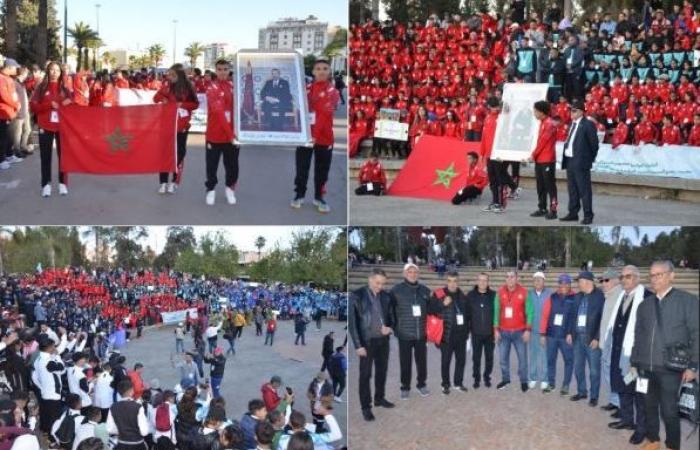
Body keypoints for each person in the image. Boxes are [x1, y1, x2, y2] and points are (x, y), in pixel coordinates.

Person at [631, 260, 698, 450]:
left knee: (669, 410)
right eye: (652, 275)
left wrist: (693, 366)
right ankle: (653, 440)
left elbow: (696, 333)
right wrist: (634, 361)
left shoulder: (688, 301)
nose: (654, 279)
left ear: (671, 275)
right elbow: (639, 335)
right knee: (648, 406)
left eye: (659, 274)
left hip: (671, 368)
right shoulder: (644, 305)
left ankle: (672, 445)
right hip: (645, 367)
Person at [604, 266, 650, 445]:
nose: (624, 280)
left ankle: (641, 429)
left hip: (637, 356)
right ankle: (626, 420)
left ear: (637, 278)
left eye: (628, 276)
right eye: (622, 277)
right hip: (619, 351)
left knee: (640, 395)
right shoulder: (622, 296)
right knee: (623, 387)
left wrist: (638, 357)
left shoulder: (647, 297)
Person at [291, 57, 340, 214]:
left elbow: (324, 115)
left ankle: (319, 197)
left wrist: (315, 137)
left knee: (322, 170)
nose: (321, 72)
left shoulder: (333, 92)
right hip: (305, 137)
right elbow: (297, 111)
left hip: (324, 138)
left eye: (325, 69)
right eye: (318, 69)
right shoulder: (305, 89)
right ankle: (299, 195)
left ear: (329, 71)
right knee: (301, 168)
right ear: (312, 72)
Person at [349, 267, 395, 422]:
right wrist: (357, 345)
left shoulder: (386, 296)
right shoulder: (357, 296)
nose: (379, 287)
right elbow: (353, 323)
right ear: (370, 279)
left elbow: (392, 317)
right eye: (377, 283)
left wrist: (390, 327)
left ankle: (379, 398)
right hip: (366, 342)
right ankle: (365, 407)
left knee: (382, 371)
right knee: (365, 375)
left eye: (382, 284)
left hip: (383, 341)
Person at [30, 61, 74, 198]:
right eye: (52, 70)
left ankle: (62, 183)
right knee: (45, 157)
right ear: (48, 71)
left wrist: (70, 102)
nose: (54, 72)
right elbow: (34, 106)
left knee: (63, 157)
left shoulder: (65, 89)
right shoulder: (41, 88)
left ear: (61, 73)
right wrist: (50, 105)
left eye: (57, 70)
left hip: (61, 128)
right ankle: (46, 184)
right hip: (45, 126)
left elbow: (72, 104)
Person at [153, 64, 199, 194]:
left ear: (179, 75)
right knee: (164, 155)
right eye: (169, 74)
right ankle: (163, 182)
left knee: (179, 155)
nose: (170, 77)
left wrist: (182, 104)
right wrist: (163, 98)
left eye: (173, 75)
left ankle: (174, 182)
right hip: (166, 126)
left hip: (181, 127)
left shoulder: (188, 88)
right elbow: (155, 99)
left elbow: (195, 104)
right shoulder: (166, 86)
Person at [390, 263, 431, 399]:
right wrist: (395, 328)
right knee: (405, 362)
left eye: (415, 272)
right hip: (404, 334)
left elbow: (431, 310)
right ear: (404, 274)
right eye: (409, 272)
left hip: (421, 334)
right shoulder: (396, 290)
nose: (412, 274)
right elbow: (390, 312)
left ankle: (421, 384)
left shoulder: (425, 290)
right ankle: (405, 387)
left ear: (418, 274)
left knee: (422, 362)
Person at [428, 271, 470, 395]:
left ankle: (458, 383)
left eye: (455, 281)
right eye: (450, 281)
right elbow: (430, 310)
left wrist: (467, 333)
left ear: (458, 282)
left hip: (461, 336)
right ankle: (445, 384)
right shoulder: (439, 294)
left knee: (461, 361)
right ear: (446, 281)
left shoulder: (462, 296)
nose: (452, 284)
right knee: (446, 361)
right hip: (445, 335)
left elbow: (467, 316)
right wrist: (442, 304)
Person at [204, 59, 238, 206]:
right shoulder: (211, 87)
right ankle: (211, 190)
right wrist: (231, 136)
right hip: (215, 136)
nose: (223, 72)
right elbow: (219, 113)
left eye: (225, 69)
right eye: (220, 69)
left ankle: (230, 189)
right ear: (215, 70)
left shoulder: (234, 87)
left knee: (232, 166)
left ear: (229, 70)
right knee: (212, 166)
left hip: (232, 137)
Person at [559, 99, 599, 225]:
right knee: (572, 189)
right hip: (570, 160)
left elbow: (594, 145)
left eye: (574, 110)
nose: (571, 112)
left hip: (581, 161)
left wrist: (588, 159)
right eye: (571, 110)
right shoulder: (572, 124)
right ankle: (573, 212)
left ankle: (588, 215)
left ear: (581, 112)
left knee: (584, 190)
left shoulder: (588, 124)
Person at [494, 271, 533, 392]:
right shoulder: (499, 292)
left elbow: (530, 312)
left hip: (519, 332)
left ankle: (523, 381)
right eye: (507, 277)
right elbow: (496, 312)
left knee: (522, 359)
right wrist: (495, 330)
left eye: (512, 277)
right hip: (504, 332)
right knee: (502, 359)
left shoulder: (525, 292)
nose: (510, 279)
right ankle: (506, 379)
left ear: (516, 278)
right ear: (505, 279)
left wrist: (528, 330)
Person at [570, 271, 605, 407]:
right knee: (578, 367)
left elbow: (603, 319)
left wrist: (597, 337)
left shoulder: (600, 297)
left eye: (579, 281)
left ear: (587, 282)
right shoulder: (578, 296)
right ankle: (582, 391)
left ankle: (594, 396)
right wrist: (569, 333)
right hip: (578, 337)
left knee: (594, 370)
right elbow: (573, 316)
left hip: (591, 339)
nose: (578, 284)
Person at [539, 273, 576, 394]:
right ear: (558, 284)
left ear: (570, 284)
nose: (563, 285)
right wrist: (543, 334)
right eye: (561, 283)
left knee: (569, 361)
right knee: (550, 360)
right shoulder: (552, 297)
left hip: (567, 337)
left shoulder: (575, 298)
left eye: (566, 283)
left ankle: (565, 385)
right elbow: (545, 316)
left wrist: (571, 332)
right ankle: (551, 383)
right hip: (551, 335)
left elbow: (576, 318)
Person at [598, 268, 623, 415]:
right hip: (606, 344)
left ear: (615, 280)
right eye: (601, 280)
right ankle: (614, 401)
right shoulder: (608, 296)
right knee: (608, 374)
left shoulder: (619, 296)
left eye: (606, 280)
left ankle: (621, 405)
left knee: (615, 375)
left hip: (614, 345)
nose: (603, 283)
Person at [31, 335, 66, 435]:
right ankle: (52, 437)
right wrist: (58, 356)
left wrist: (42, 387)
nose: (54, 348)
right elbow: (62, 369)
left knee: (45, 413)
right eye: (53, 346)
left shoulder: (37, 360)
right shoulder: (49, 361)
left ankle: (45, 430)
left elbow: (34, 377)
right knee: (54, 417)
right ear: (49, 347)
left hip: (45, 392)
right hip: (53, 393)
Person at [466, 272, 496, 389]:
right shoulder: (470, 295)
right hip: (476, 333)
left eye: (485, 280)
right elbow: (467, 314)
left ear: (488, 282)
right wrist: (468, 331)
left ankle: (487, 377)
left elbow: (497, 313)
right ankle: (476, 378)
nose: (483, 282)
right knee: (476, 358)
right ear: (477, 281)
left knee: (489, 358)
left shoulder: (493, 295)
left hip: (490, 334)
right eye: (480, 280)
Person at [530, 101, 558, 219]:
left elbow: (543, 142)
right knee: (540, 185)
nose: (534, 113)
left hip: (547, 159)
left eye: (535, 111)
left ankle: (553, 210)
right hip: (540, 159)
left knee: (550, 186)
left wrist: (533, 154)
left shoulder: (549, 124)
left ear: (541, 112)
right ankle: (542, 207)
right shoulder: (542, 123)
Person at [106, 379, 150, 450]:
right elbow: (144, 432)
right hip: (137, 444)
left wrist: (122, 431)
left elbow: (110, 429)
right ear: (131, 391)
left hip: (122, 444)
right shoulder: (138, 406)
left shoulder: (113, 407)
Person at [528, 272, 553, 390]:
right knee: (533, 355)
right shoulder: (529, 294)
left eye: (540, 280)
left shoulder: (550, 294)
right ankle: (532, 377)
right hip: (533, 330)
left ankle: (544, 379)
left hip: (545, 332)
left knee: (544, 356)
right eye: (535, 280)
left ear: (544, 281)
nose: (537, 282)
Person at [0, 59, 21, 172]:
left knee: (9, 136)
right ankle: (1, 160)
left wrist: (17, 104)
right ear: (8, 67)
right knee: (2, 137)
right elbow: (4, 96)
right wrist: (15, 104)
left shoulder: (9, 78)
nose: (16, 69)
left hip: (10, 112)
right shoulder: (1, 78)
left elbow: (13, 94)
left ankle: (9, 154)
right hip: (3, 112)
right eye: (14, 67)